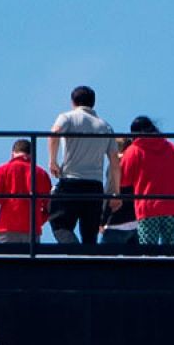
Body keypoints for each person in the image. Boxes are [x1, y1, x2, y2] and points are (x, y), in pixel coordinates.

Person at [46, 85, 119, 245]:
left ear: (73, 101)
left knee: (60, 225)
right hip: (95, 185)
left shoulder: (67, 117)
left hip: (71, 182)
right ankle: (88, 263)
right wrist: (116, 192)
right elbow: (114, 161)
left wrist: (53, 161)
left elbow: (54, 133)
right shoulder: (105, 126)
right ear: (93, 103)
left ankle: (74, 252)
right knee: (90, 234)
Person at [118, 116, 174, 246]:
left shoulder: (134, 150)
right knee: (172, 249)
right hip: (172, 205)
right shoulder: (172, 148)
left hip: (147, 207)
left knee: (148, 249)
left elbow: (123, 180)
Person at [0, 139, 53, 243]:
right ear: (32, 155)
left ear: (12, 153)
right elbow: (50, 206)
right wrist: (38, 220)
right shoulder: (41, 174)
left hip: (6, 228)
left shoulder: (3, 170)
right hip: (32, 231)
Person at [100, 138, 138, 246]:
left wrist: (102, 220)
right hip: (136, 221)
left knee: (102, 260)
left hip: (116, 223)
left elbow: (110, 192)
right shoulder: (136, 161)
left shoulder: (115, 164)